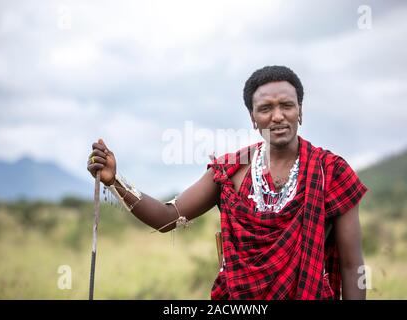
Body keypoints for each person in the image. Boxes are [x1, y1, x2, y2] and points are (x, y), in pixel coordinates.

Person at [87, 65, 368, 300]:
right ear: (252, 117)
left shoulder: (330, 172)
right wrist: (115, 181)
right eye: (266, 108)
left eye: (287, 105)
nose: (278, 116)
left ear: (300, 111)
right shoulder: (230, 171)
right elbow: (168, 217)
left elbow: (351, 264)